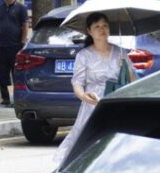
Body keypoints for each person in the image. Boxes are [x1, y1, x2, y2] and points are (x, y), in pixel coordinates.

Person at [53, 12, 135, 164]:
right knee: (89, 148)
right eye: (97, 26)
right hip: (92, 106)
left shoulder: (120, 52)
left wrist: (125, 68)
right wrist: (84, 97)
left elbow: (132, 81)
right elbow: (77, 83)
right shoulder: (84, 55)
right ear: (89, 31)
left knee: (115, 145)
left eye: (105, 25)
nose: (102, 29)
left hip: (115, 104)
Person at [0, 0, 29, 107]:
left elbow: (25, 25)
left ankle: (16, 98)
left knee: (16, 74)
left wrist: (23, 42)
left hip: (15, 46)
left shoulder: (21, 8)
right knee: (3, 75)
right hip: (1, 46)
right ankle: (6, 98)